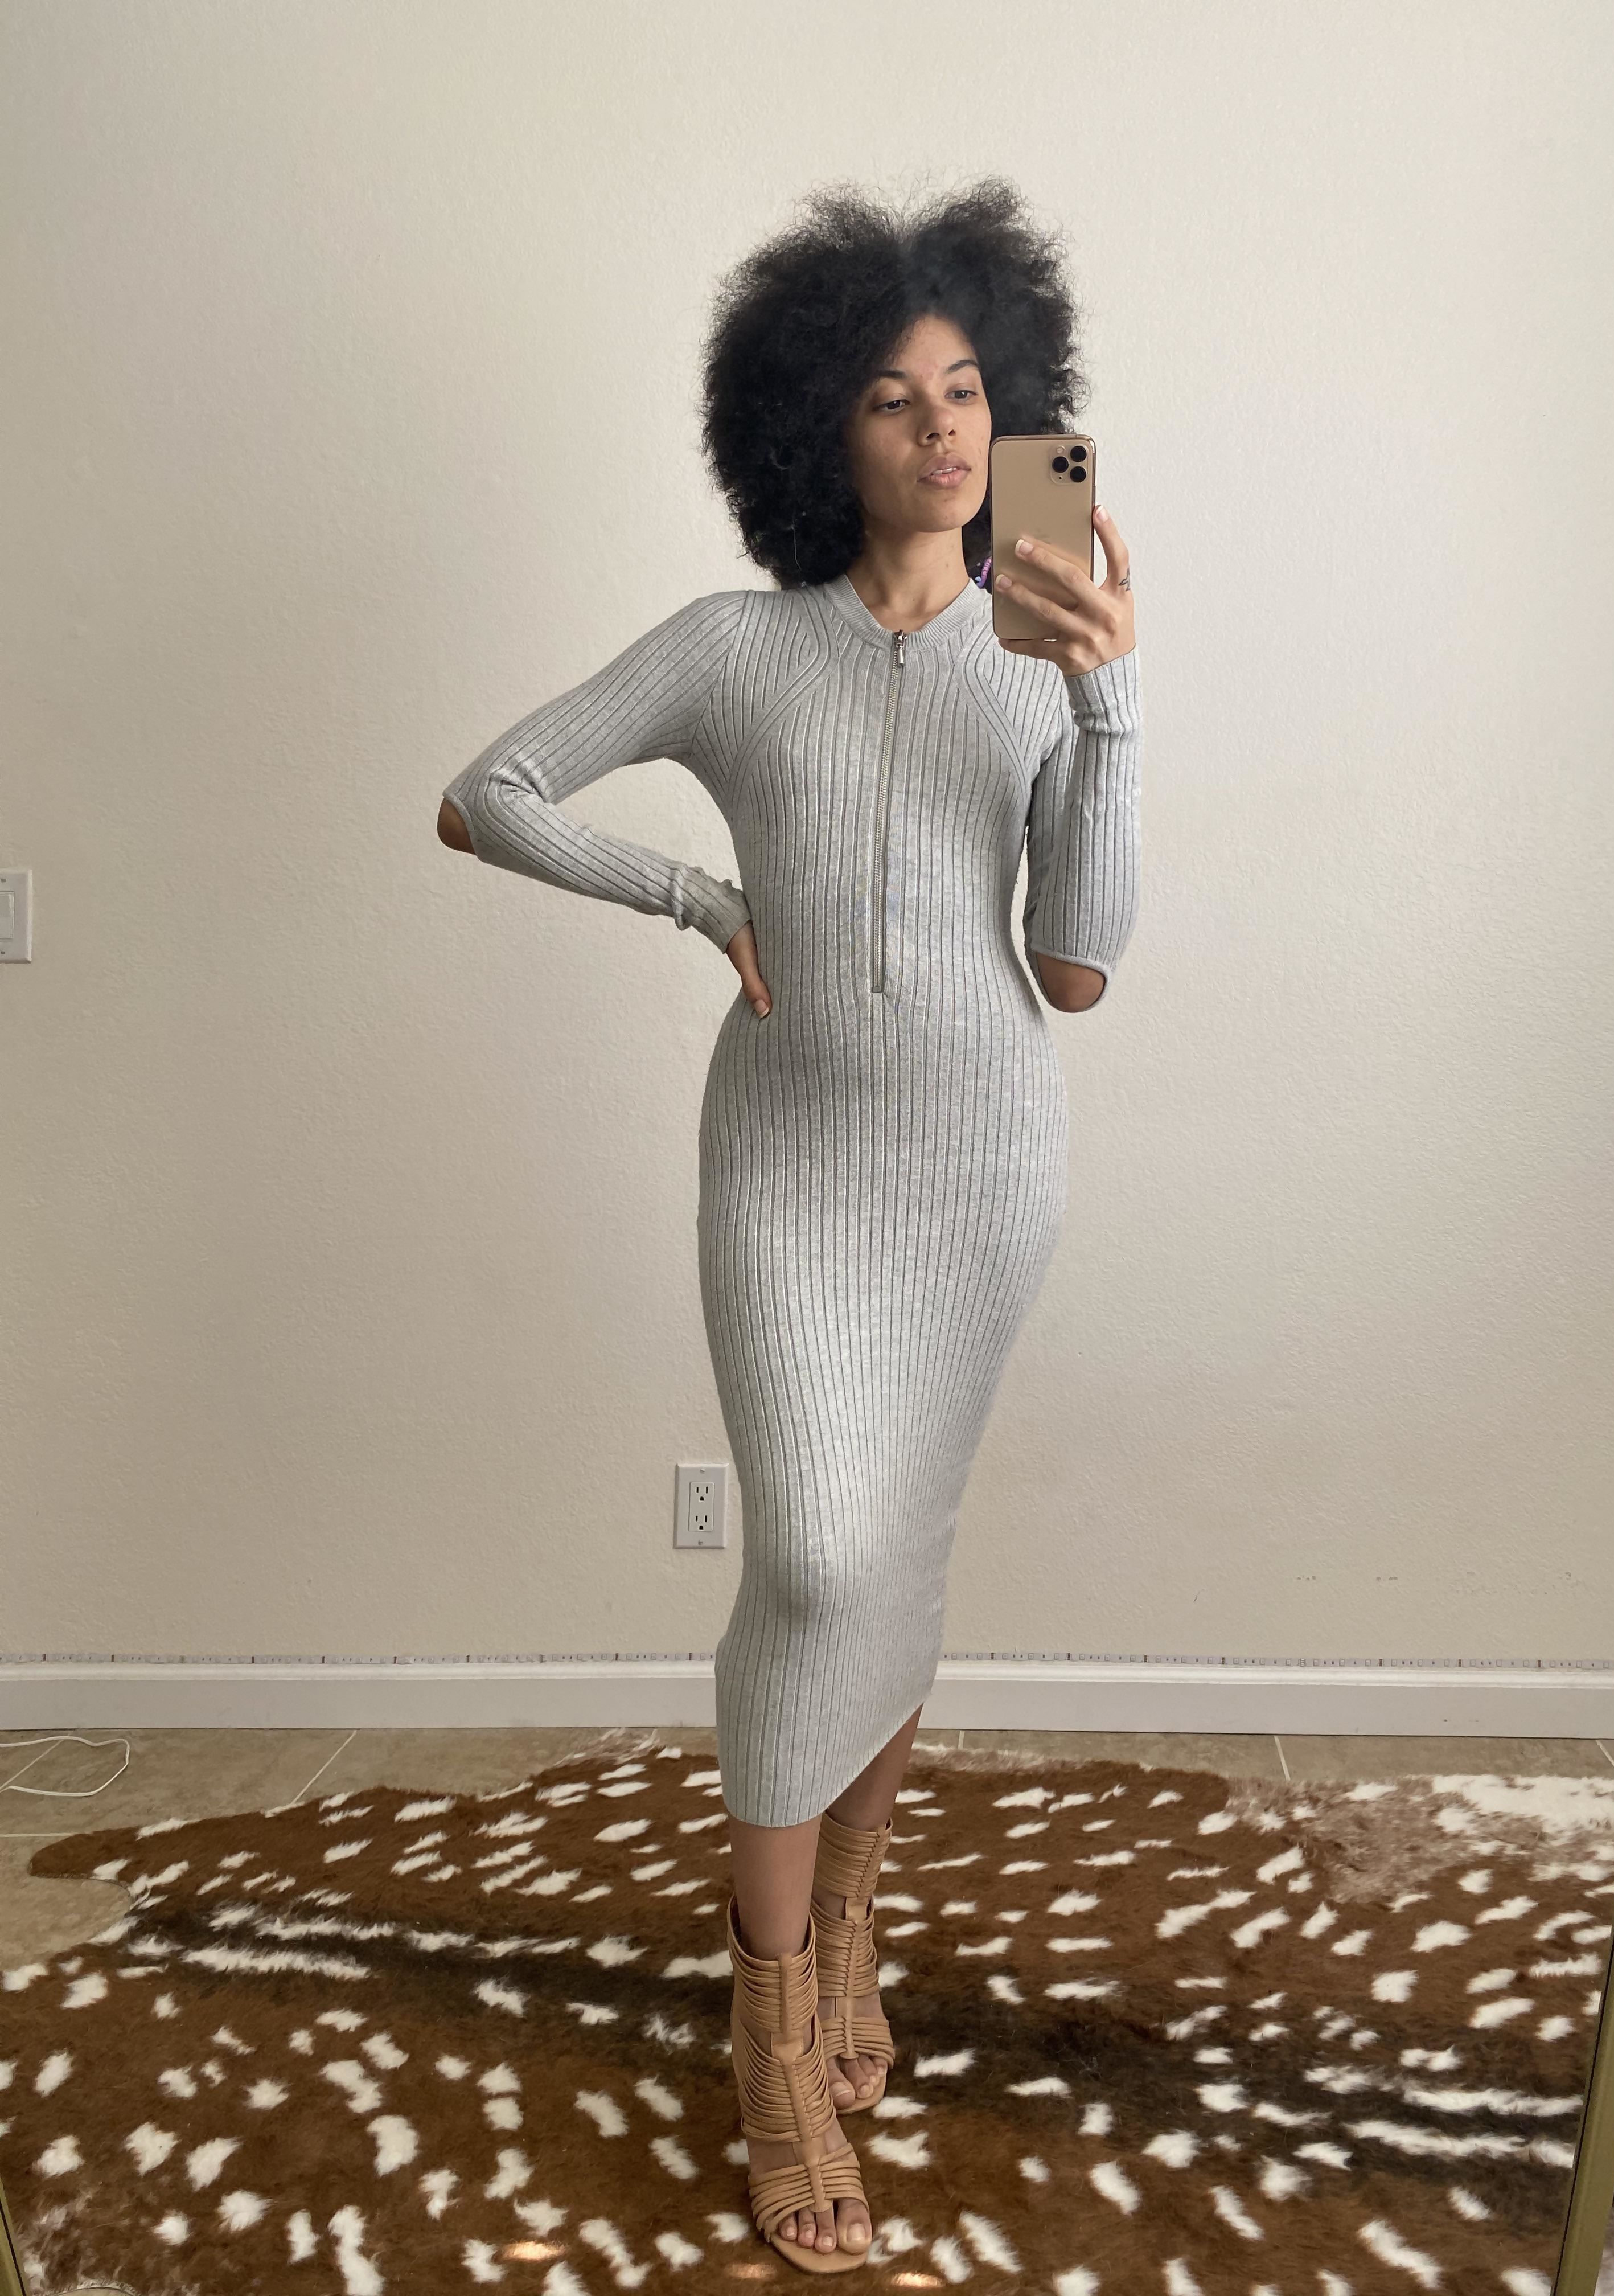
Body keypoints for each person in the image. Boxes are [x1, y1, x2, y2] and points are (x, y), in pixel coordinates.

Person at [438, 178, 1140, 2273]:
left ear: (1017, 413)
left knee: (897, 1557)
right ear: (813, 427)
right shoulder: (738, 652)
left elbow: (1080, 969)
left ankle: (848, 1913)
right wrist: (694, 895)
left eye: (972, 392)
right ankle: (767, 2026)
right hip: (790, 1168)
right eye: (893, 397)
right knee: (813, 1559)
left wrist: (1111, 706)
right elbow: (490, 790)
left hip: (986, 1169)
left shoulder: (1043, 664)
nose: (942, 429)